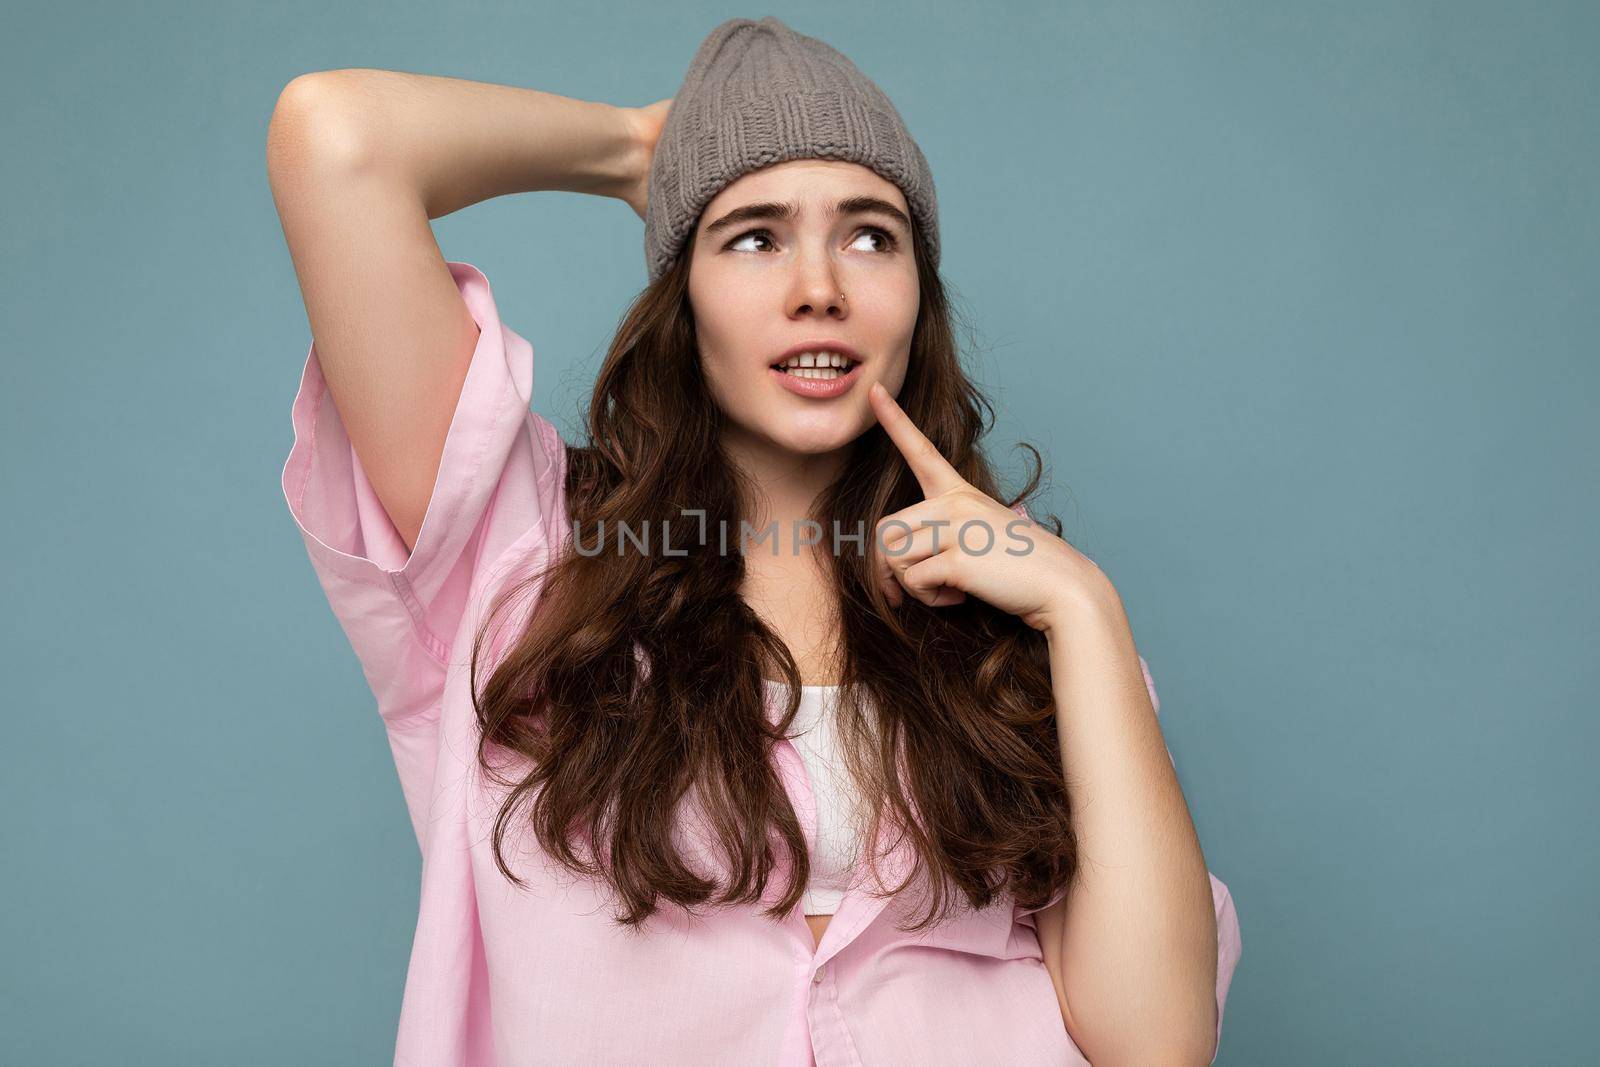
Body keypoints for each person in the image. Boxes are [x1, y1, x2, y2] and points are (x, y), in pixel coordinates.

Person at [267, 16, 1241, 1066]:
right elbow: (334, 136)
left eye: (871, 234)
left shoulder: (1023, 642)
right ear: (681, 297)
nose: (819, 285)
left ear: (921, 297)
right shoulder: (523, 563)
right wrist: (640, 150)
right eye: (754, 235)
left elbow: (1158, 1045)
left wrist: (1083, 610)